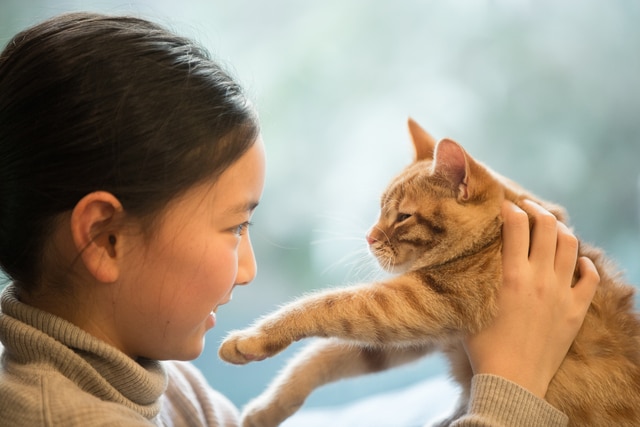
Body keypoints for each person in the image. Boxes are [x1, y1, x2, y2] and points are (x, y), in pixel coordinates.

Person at [0, 12, 599, 427]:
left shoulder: (152, 380)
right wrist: (511, 389)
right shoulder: (69, 415)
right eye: (235, 228)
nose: (248, 270)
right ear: (106, 239)